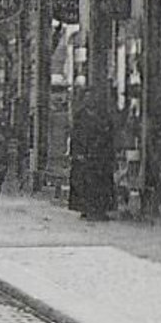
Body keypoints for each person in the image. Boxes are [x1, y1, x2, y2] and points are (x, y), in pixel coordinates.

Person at [69, 83, 118, 221]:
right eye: (87, 97)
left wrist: (109, 153)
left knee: (101, 183)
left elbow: (109, 135)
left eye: (92, 97)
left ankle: (100, 209)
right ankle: (86, 208)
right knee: (84, 182)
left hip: (100, 155)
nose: (90, 100)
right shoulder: (80, 116)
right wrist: (77, 152)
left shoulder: (103, 116)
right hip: (85, 154)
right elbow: (76, 135)